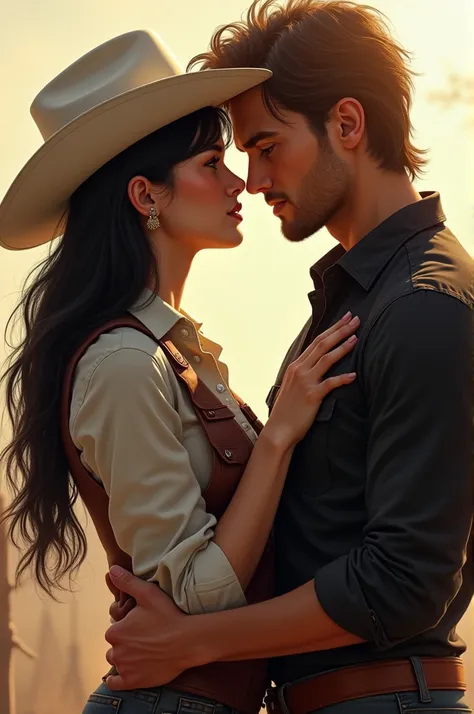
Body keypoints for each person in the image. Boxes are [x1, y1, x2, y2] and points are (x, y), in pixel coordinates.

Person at [101, 2, 474, 713]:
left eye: (267, 147)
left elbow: (403, 582)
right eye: (239, 155)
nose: (255, 178)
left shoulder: (426, 307)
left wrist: (196, 640)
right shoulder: (349, 300)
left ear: (348, 124)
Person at [0, 26, 360, 714]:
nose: (241, 184)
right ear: (146, 196)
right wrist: (279, 435)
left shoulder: (175, 352)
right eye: (211, 163)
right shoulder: (126, 364)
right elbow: (195, 594)